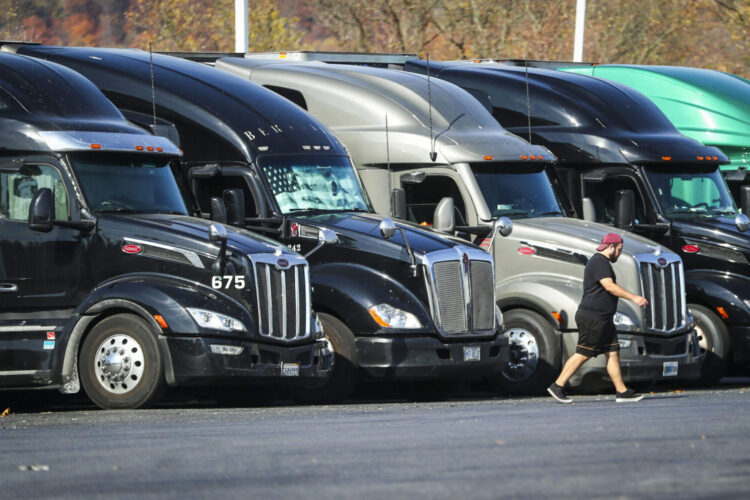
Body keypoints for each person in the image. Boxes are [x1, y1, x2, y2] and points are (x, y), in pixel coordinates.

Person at [547, 233, 649, 404]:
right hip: (593, 317)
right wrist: (634, 297)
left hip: (603, 318)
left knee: (613, 353)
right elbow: (609, 286)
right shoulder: (599, 262)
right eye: (619, 249)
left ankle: (622, 392)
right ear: (612, 246)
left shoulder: (601, 262)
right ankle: (557, 386)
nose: (619, 253)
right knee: (583, 353)